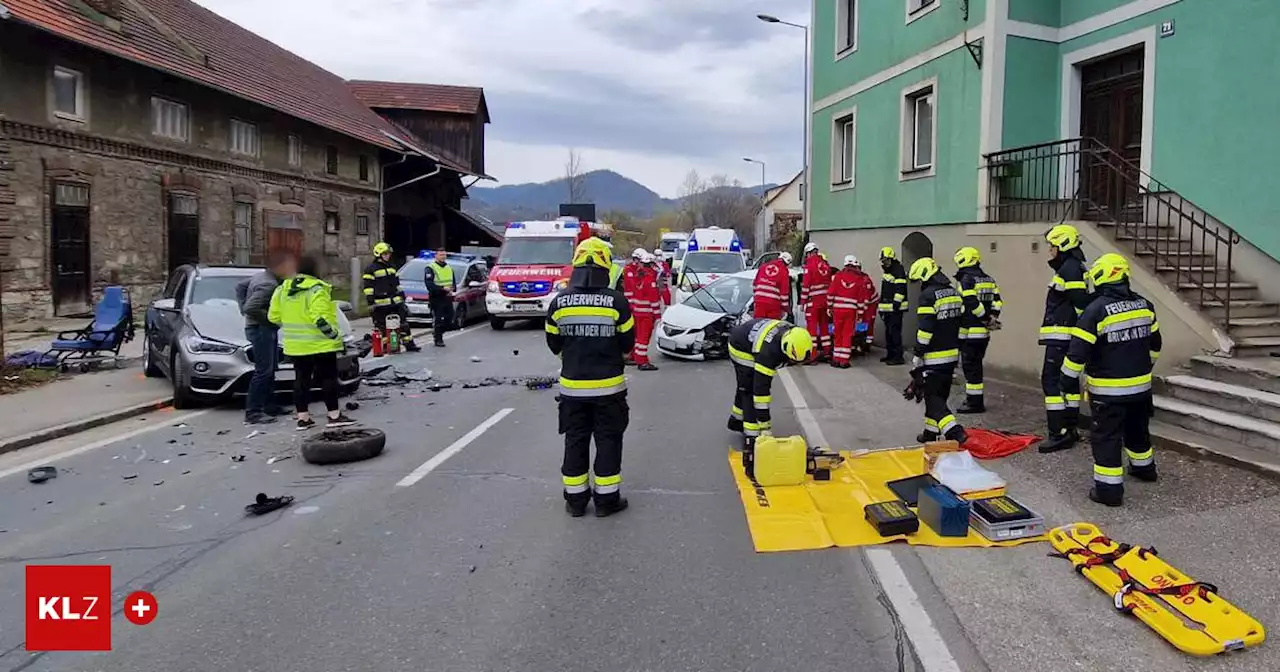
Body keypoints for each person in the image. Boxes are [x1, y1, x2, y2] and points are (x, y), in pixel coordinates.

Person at [545, 237, 636, 518]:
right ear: (605, 265)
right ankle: (606, 501)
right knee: (608, 440)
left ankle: (575, 501)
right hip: (609, 390)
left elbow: (553, 343)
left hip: (572, 390)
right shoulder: (616, 301)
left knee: (575, 440)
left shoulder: (560, 302)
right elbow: (628, 344)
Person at [1062, 253, 1161, 507]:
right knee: (1137, 430)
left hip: (1108, 391)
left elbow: (1077, 353)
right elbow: (1156, 345)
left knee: (1107, 438)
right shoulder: (1144, 305)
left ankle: (1109, 492)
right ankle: (1144, 470)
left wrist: (1066, 381)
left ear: (1100, 277)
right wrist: (1144, 368)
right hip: (1140, 388)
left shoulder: (1094, 310)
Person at [268, 255, 355, 431]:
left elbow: (273, 316)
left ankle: (303, 418)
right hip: (320, 344)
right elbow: (320, 319)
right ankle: (334, 415)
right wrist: (334, 335)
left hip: (295, 346)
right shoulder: (317, 289)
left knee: (301, 380)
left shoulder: (282, 289)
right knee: (328, 378)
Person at [727, 318, 813, 477]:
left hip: (751, 337)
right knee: (748, 389)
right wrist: (765, 428)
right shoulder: (769, 353)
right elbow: (761, 393)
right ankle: (751, 437)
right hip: (740, 345)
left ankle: (735, 420)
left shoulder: (796, 335)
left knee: (746, 387)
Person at [1039, 224, 1093, 453]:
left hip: (1062, 336)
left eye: (1052, 245)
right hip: (1065, 335)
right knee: (1068, 383)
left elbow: (1080, 304)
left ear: (1061, 245)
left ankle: (1058, 432)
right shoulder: (1072, 267)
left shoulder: (1070, 269)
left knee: (1050, 381)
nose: (1049, 250)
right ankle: (1070, 427)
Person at [909, 257, 968, 445]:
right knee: (939, 394)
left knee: (933, 398)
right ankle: (930, 432)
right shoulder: (953, 292)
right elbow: (961, 322)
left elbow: (926, 328)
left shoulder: (928, 295)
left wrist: (918, 353)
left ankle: (955, 431)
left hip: (934, 355)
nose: (920, 284)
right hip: (951, 353)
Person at [235, 250, 295, 424]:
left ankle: (270, 405)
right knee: (263, 371)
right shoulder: (268, 284)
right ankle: (253, 412)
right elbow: (251, 308)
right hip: (261, 329)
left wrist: (242, 306)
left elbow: (240, 287)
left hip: (262, 328)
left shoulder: (261, 276)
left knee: (271, 368)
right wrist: (270, 320)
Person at [953, 247, 1004, 414]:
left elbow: (971, 302)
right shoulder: (989, 278)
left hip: (971, 330)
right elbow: (998, 301)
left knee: (971, 367)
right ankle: (974, 400)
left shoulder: (967, 279)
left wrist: (985, 317)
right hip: (984, 332)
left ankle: (974, 403)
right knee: (975, 366)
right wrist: (993, 318)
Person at [362, 242, 420, 353]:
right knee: (382, 327)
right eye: (385, 254)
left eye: (388, 254)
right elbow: (368, 288)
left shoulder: (392, 267)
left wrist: (402, 296)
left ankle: (409, 344)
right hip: (381, 304)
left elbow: (397, 284)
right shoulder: (371, 269)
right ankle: (385, 347)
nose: (388, 256)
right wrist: (371, 303)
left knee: (403, 324)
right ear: (379, 254)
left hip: (395, 302)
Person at [800, 242, 833, 363]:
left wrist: (803, 302)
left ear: (808, 253)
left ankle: (812, 355)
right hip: (825, 302)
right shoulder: (825, 264)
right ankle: (827, 352)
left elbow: (806, 286)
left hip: (813, 302)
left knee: (812, 330)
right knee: (824, 328)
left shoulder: (810, 265)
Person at [828, 255, 862, 368]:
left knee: (837, 334)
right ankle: (844, 361)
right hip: (851, 311)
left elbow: (831, 292)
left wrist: (829, 307)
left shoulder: (838, 276)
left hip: (838, 309)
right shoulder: (859, 278)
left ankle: (836, 359)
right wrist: (860, 313)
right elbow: (861, 298)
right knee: (847, 335)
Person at [630, 252, 661, 371]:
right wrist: (658, 316)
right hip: (647, 314)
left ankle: (639, 358)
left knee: (638, 338)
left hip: (637, 312)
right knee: (644, 338)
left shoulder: (639, 277)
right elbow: (654, 300)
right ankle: (642, 362)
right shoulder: (650, 279)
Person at [878, 247, 908, 365]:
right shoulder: (888, 271)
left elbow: (900, 289)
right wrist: (881, 309)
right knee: (888, 333)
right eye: (883, 260)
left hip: (896, 309)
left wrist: (896, 304)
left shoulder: (898, 270)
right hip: (888, 309)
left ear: (891, 259)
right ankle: (890, 355)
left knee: (894, 332)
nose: (883, 263)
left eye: (885, 260)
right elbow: (885, 291)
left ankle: (898, 357)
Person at [422, 249, 457, 347]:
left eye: (444, 255)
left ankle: (438, 333)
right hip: (436, 298)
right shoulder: (430, 268)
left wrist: (452, 291)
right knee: (439, 319)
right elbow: (429, 284)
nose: (443, 257)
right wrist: (442, 289)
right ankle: (438, 339)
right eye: (441, 255)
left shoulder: (449, 268)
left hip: (447, 297)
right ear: (436, 256)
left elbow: (453, 281)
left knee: (450, 318)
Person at [752, 252, 792, 320]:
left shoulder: (763, 267)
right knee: (771, 326)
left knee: (758, 324)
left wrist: (757, 298)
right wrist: (785, 308)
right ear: (787, 263)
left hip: (759, 301)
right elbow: (784, 293)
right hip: (773, 304)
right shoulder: (784, 271)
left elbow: (754, 285)